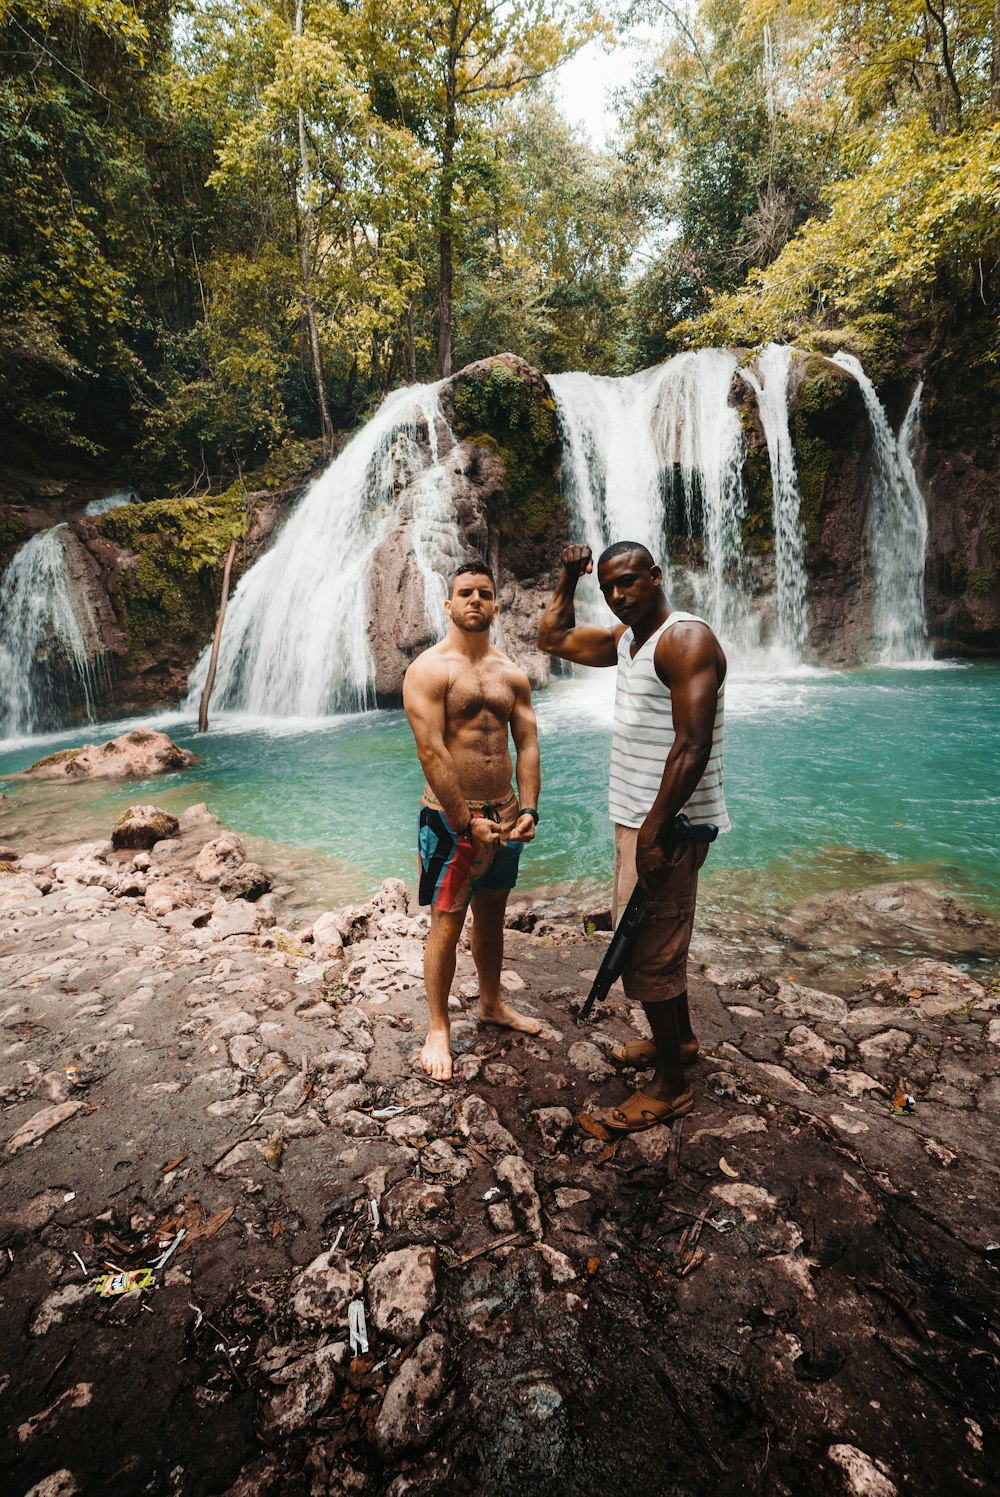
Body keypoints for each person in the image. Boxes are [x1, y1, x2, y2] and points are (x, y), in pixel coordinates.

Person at [538, 541, 730, 1135]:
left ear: (656, 576)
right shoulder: (627, 641)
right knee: (652, 937)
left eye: (629, 582)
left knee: (648, 947)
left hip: (666, 827)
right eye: (610, 588)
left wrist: (653, 834)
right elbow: (551, 640)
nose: (619, 595)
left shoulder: (685, 640)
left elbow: (693, 745)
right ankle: (684, 1040)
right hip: (640, 820)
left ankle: (671, 1086)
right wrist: (568, 576)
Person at [403, 559, 543, 1081]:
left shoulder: (511, 672)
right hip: (448, 818)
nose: (475, 601)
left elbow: (527, 744)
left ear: (496, 604)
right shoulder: (429, 669)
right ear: (448, 603)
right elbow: (431, 752)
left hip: (505, 814)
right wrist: (465, 823)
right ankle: (437, 1027)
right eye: (465, 593)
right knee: (447, 918)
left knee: (492, 912)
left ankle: (491, 1004)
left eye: (485, 592)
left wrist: (528, 807)